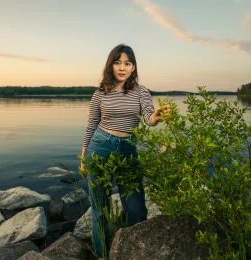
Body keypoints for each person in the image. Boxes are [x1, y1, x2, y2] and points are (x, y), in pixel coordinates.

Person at [79, 44, 170, 257]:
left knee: (136, 208)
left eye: (127, 63)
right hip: (99, 148)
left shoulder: (141, 91)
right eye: (117, 62)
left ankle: (137, 253)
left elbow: (148, 117)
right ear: (110, 65)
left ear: (133, 67)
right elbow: (91, 125)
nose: (122, 67)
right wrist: (83, 158)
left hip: (128, 150)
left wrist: (155, 118)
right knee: (100, 209)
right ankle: (102, 254)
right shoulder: (100, 94)